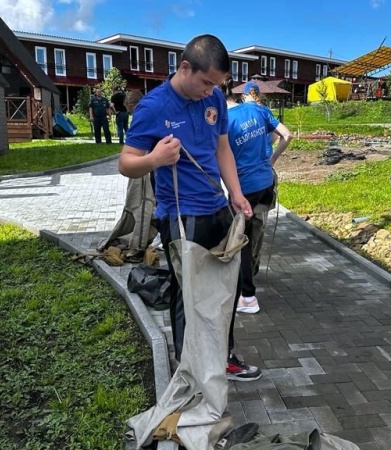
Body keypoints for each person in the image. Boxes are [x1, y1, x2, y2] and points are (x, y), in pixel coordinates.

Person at [118, 34, 262, 382]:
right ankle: (189, 370)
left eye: (217, 84)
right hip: (182, 217)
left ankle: (224, 356)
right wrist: (154, 158)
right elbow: (126, 163)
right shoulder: (153, 107)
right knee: (189, 297)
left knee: (225, 290)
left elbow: (222, 149)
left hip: (218, 209)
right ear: (185, 67)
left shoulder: (213, 98)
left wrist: (236, 193)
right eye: (207, 82)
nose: (211, 91)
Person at [222, 79, 292, 314]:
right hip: (266, 183)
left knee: (239, 238)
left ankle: (248, 296)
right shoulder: (258, 109)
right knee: (255, 231)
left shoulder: (224, 121)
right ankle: (250, 274)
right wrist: (270, 160)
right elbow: (285, 136)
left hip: (245, 188)